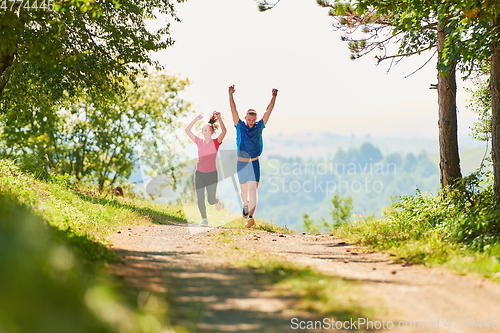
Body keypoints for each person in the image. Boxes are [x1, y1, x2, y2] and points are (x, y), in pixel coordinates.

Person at [228, 85, 278, 228]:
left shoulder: (259, 127)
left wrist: (273, 97)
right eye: (249, 120)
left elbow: (268, 111)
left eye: (253, 120)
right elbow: (233, 110)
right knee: (244, 191)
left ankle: (250, 217)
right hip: (241, 163)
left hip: (254, 163)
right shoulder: (239, 126)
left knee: (252, 190)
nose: (251, 122)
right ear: (245, 118)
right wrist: (230, 95)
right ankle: (245, 205)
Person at [185, 111, 227, 226]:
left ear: (212, 132)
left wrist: (219, 118)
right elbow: (187, 130)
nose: (207, 132)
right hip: (199, 173)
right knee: (200, 198)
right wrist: (195, 119)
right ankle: (204, 219)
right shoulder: (198, 141)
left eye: (209, 130)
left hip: (212, 174)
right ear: (202, 132)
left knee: (210, 200)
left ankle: (216, 200)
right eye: (204, 130)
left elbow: (224, 131)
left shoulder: (216, 142)